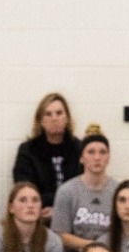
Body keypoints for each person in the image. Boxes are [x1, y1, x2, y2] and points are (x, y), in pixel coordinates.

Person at [13, 93, 82, 222]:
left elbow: (84, 190)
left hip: (75, 216)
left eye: (59, 113)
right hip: (38, 217)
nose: (54, 118)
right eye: (48, 114)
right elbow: (24, 190)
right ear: (40, 121)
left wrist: (59, 211)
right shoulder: (28, 151)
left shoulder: (80, 149)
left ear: (67, 118)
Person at [52, 133, 118, 252]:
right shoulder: (66, 191)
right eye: (91, 152)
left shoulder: (118, 191)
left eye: (102, 152)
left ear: (108, 158)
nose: (97, 157)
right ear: (81, 158)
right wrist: (94, 246)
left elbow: (123, 232)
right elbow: (60, 235)